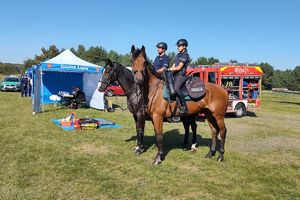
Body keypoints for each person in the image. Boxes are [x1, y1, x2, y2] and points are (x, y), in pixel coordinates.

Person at [168, 39, 190, 115]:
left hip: (181, 75)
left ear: (184, 46)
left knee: (176, 88)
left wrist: (169, 69)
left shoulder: (185, 55)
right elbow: (174, 66)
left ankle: (185, 107)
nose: (177, 47)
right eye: (177, 46)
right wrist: (168, 70)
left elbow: (178, 68)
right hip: (175, 75)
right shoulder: (178, 55)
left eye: (179, 46)